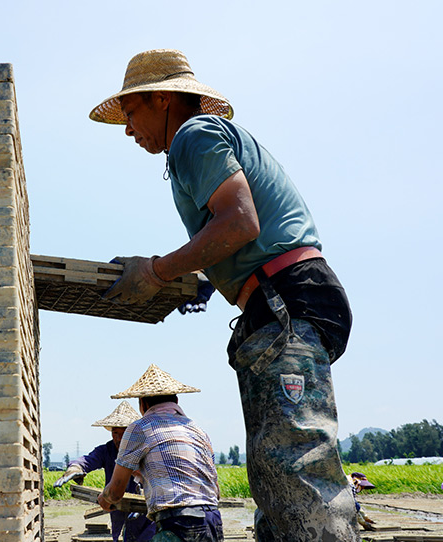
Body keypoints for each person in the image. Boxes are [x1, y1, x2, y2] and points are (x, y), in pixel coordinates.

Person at [90, 49, 359, 541]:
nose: (128, 128)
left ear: (163, 98)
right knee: (276, 480)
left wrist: (155, 271)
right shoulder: (196, 146)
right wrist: (203, 279)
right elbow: (242, 236)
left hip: (287, 303)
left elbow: (239, 222)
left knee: (296, 474)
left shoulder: (194, 134)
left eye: (131, 113)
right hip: (278, 302)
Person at [97, 364, 222, 541]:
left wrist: (105, 498)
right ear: (176, 401)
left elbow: (116, 492)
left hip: (178, 522)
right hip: (212, 519)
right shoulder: (198, 431)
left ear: (143, 403)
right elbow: (215, 491)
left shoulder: (139, 428)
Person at [54, 401, 156, 542]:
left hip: (146, 513)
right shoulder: (107, 450)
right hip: (117, 510)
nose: (119, 438)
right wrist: (75, 468)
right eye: (115, 433)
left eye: (124, 433)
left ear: (133, 433)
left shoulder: (145, 449)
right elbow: (88, 460)